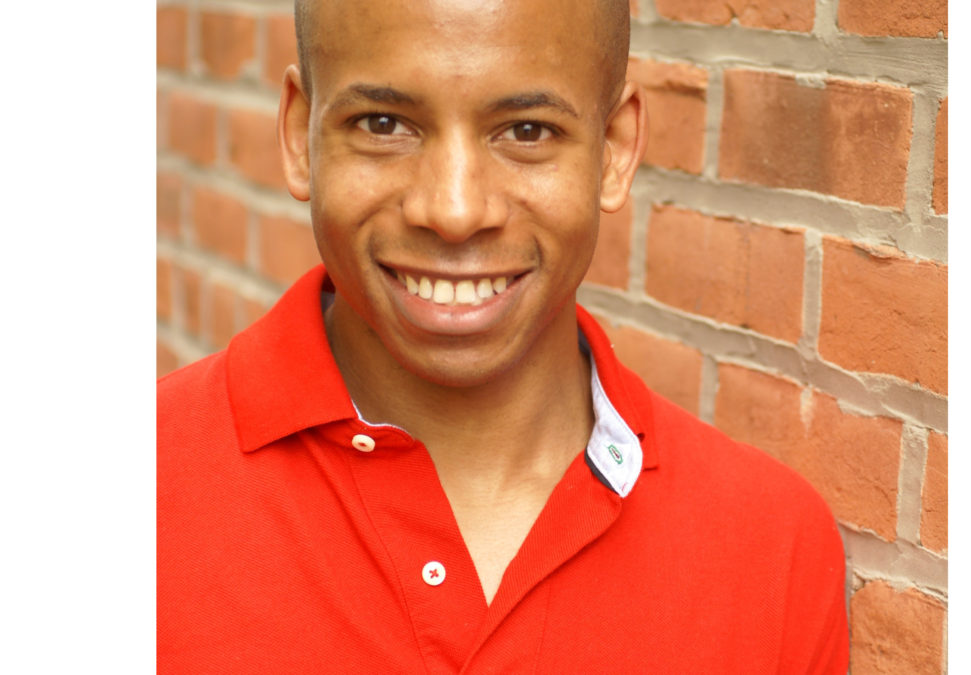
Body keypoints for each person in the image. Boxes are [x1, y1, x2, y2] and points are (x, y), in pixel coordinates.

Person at [157, 0, 849, 671]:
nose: (455, 210)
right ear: (300, 134)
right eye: (383, 122)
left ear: (614, 149)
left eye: (526, 132)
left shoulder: (772, 550)